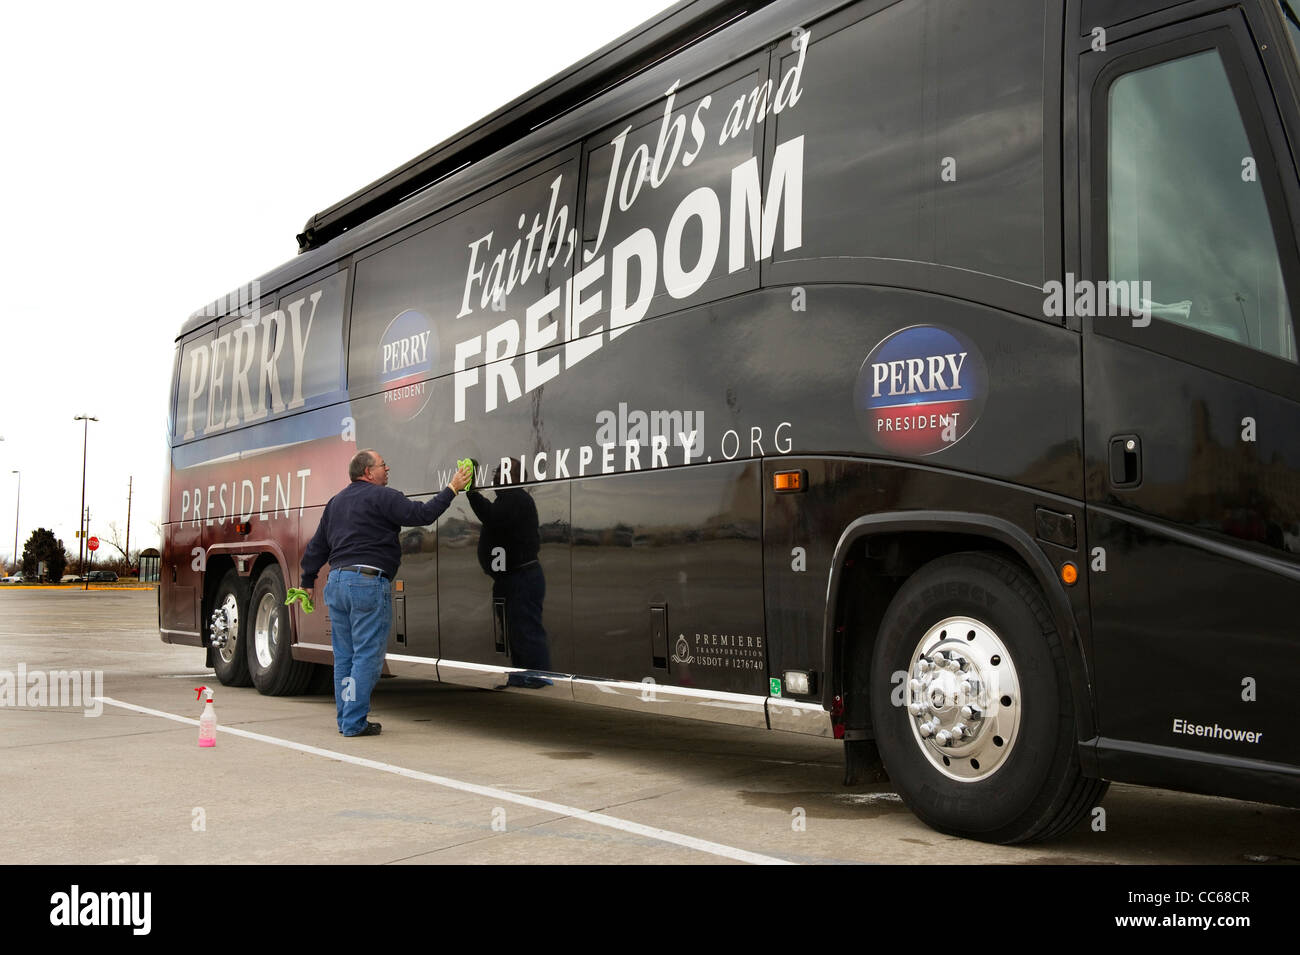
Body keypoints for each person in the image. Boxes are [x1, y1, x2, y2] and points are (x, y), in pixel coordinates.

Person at [301, 450, 472, 737]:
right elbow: (422, 514)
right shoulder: (383, 496)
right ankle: (353, 722)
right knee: (367, 656)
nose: (387, 468)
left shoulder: (336, 502)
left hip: (337, 582)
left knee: (345, 657)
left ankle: (346, 719)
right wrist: (452, 488)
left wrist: (307, 579)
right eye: (382, 465)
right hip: (366, 583)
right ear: (368, 472)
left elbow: (317, 546)